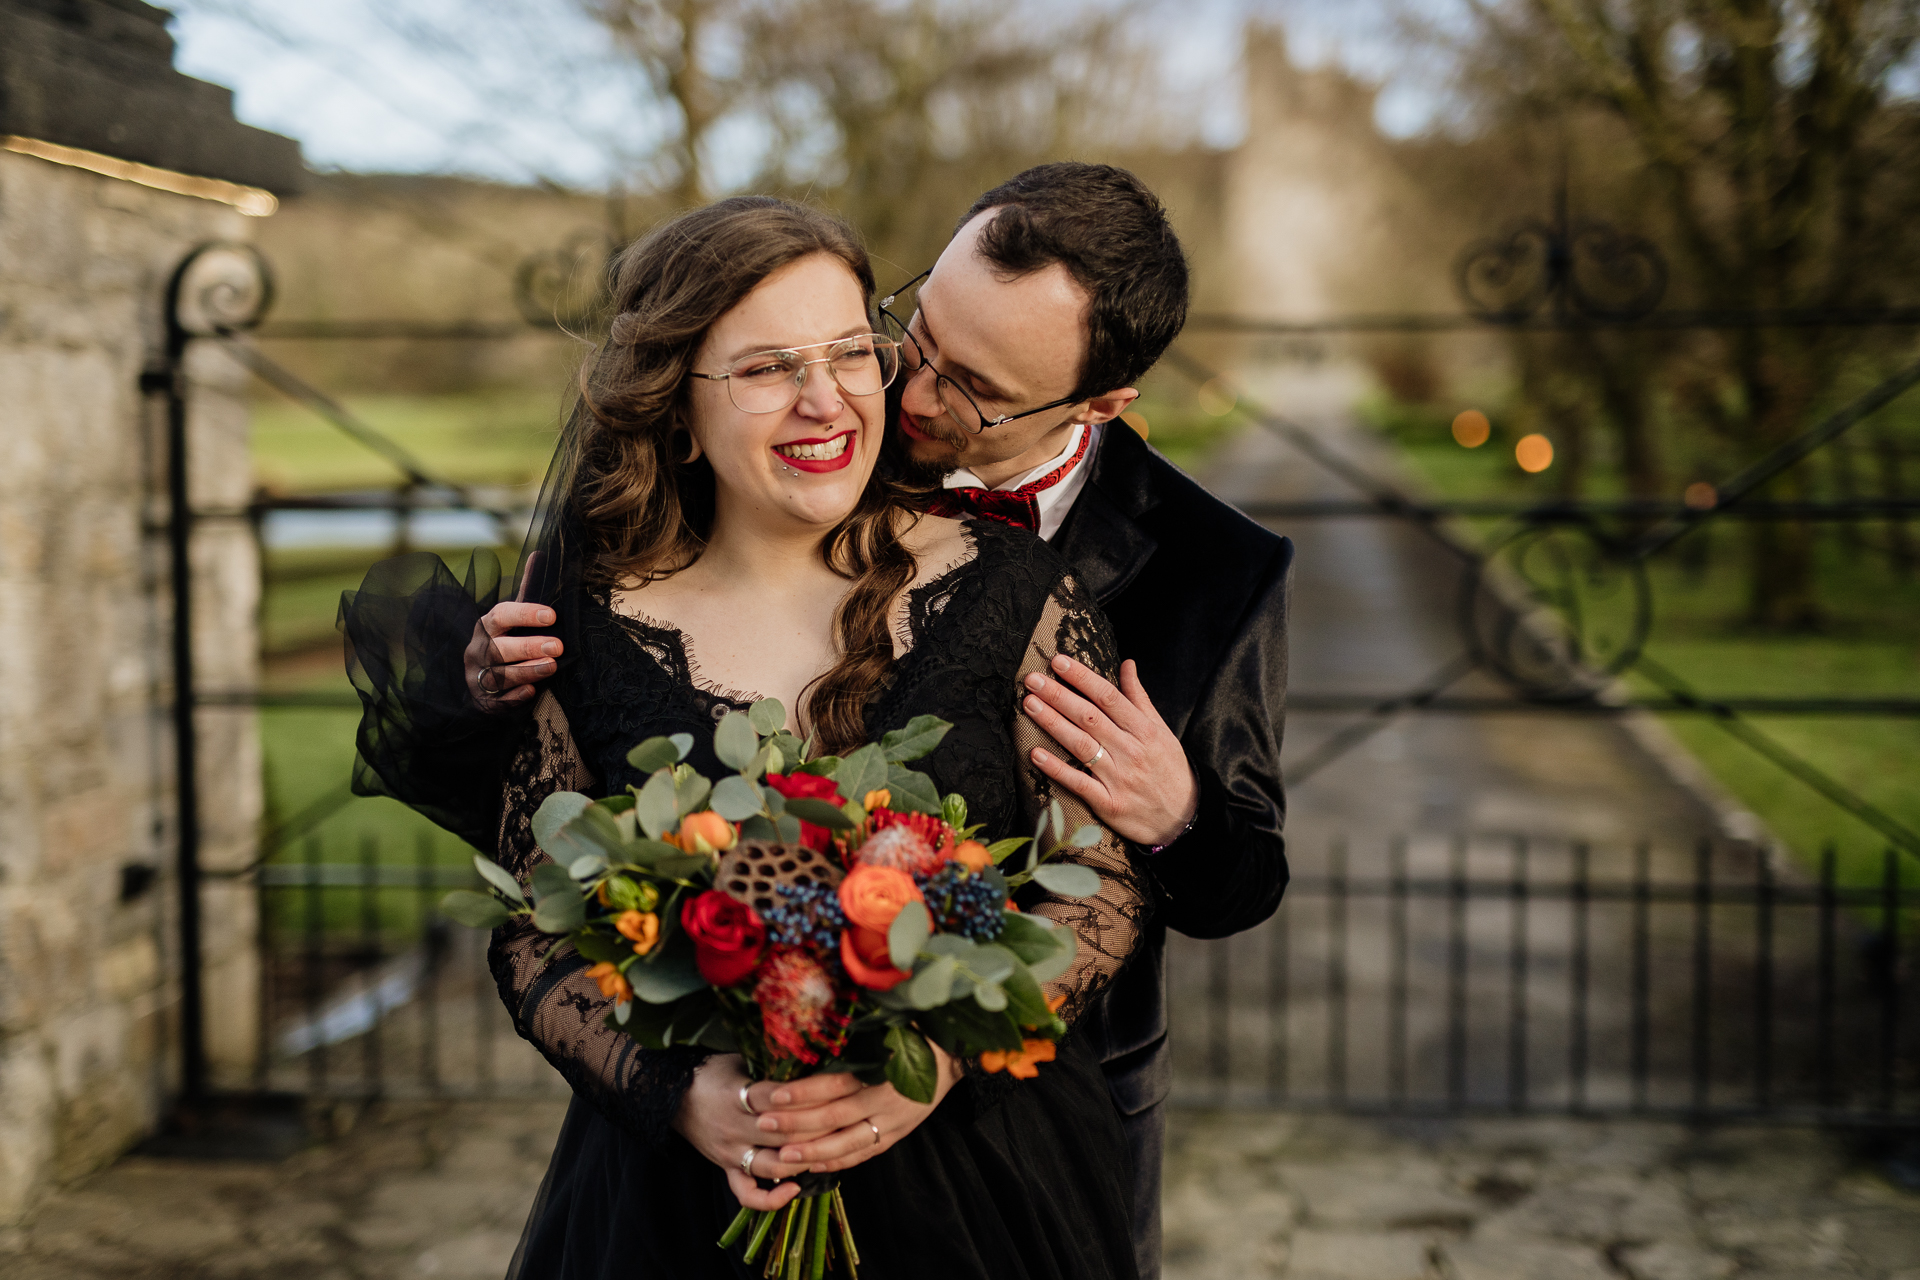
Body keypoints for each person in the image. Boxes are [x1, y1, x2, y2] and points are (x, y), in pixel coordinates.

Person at [465, 164, 1293, 1280]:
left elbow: (1198, 880)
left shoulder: (1200, 572)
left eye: (973, 387)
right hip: (679, 1184)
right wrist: (489, 684)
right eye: (909, 333)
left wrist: (1180, 811)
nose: (904, 394)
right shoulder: (802, 434)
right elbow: (535, 884)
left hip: (1013, 1127)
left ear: (1097, 404)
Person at [341, 196, 1149, 1278]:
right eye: (767, 367)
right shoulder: (584, 627)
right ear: (677, 409)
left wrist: (938, 1059)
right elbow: (534, 933)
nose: (826, 400)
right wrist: (680, 1096)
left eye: (850, 351)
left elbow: (1096, 878)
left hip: (984, 1186)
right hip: (675, 1212)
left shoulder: (1016, 595)